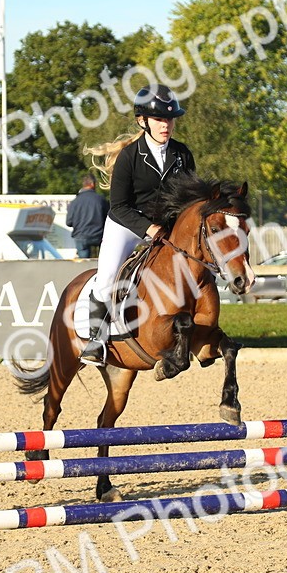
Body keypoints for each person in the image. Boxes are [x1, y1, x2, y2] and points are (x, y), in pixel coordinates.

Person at [79, 84, 195, 366]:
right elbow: (119, 206)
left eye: (170, 119)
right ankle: (96, 340)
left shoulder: (182, 155)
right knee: (107, 279)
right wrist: (148, 228)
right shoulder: (129, 156)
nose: (166, 125)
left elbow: (190, 200)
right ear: (143, 121)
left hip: (166, 227)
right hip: (127, 225)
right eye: (159, 119)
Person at [66, 174, 108, 258]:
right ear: (92, 184)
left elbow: (69, 222)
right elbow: (109, 219)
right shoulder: (101, 200)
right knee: (103, 260)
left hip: (81, 236)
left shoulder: (74, 202)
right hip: (99, 236)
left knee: (84, 262)